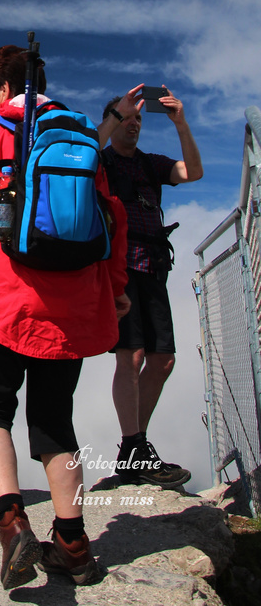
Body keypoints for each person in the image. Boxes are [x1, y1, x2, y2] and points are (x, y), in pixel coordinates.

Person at [0, 45, 130, 590]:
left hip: (3, 300)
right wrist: (115, 290)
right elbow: (113, 221)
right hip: (72, 308)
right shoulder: (84, 139)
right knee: (53, 422)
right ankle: (73, 545)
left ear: (1, 89)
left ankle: (13, 522)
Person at [98, 85, 203, 488]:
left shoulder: (150, 164)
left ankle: (132, 452)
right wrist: (117, 115)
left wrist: (181, 124)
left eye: (140, 119)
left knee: (163, 361)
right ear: (116, 119)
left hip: (153, 266)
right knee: (133, 355)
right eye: (129, 118)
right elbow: (87, 151)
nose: (135, 125)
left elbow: (193, 172)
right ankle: (136, 445)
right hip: (118, 269)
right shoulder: (101, 161)